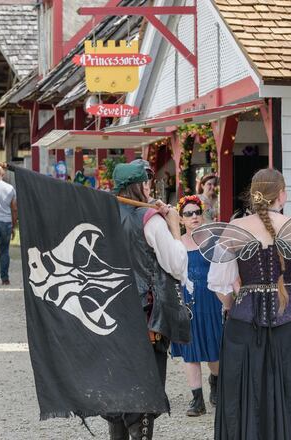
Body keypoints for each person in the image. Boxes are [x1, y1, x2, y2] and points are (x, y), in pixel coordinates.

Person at [199, 168, 291, 439]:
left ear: (252, 195)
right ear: (282, 195)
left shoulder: (233, 229)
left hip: (244, 324)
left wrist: (232, 305)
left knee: (248, 395)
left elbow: (219, 284)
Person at [105, 162, 191, 440]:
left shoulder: (102, 215)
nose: (150, 186)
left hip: (110, 313)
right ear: (141, 185)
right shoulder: (150, 220)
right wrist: (175, 227)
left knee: (118, 385)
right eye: (147, 182)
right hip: (145, 316)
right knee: (145, 385)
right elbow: (176, 265)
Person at [170, 195, 223, 417]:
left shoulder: (212, 240)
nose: (194, 217)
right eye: (188, 214)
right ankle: (196, 399)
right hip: (187, 302)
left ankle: (216, 382)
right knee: (190, 353)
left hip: (211, 300)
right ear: (181, 219)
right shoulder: (177, 243)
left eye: (197, 212)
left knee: (214, 352)